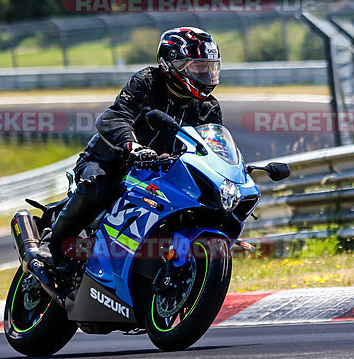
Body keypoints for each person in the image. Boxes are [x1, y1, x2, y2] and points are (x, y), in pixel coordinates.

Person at [36, 27, 223, 268]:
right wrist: (133, 146)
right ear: (172, 63)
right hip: (111, 162)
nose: (205, 72)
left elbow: (211, 144)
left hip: (159, 176)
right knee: (97, 186)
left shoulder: (208, 107)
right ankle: (53, 243)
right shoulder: (147, 82)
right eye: (197, 66)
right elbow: (113, 117)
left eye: (210, 66)